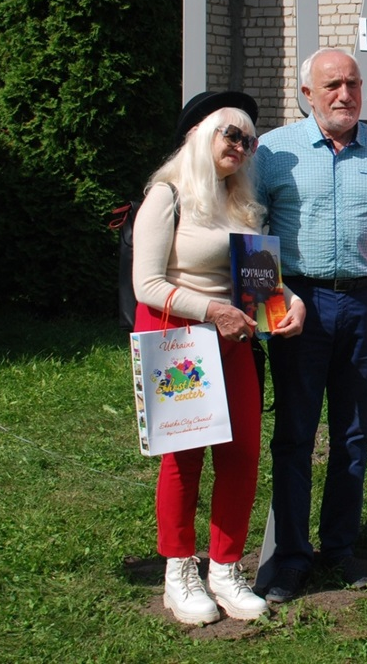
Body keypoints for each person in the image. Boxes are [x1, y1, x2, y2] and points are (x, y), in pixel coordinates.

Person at [255, 49, 367, 601]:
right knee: (295, 435)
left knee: (354, 433)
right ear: (307, 93)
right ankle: (291, 556)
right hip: (297, 305)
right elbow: (251, 233)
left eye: (352, 83)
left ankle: (341, 547)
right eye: (332, 85)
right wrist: (271, 303)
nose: (344, 94)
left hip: (366, 305)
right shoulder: (273, 151)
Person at [133, 91, 305, 624]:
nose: (242, 146)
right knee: (184, 458)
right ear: (199, 135)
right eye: (232, 134)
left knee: (242, 455)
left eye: (250, 141)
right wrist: (212, 311)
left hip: (234, 340)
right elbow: (147, 284)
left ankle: (226, 569)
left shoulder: (241, 202)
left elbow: (258, 276)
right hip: (179, 339)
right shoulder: (167, 195)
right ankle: (179, 571)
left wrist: (290, 300)